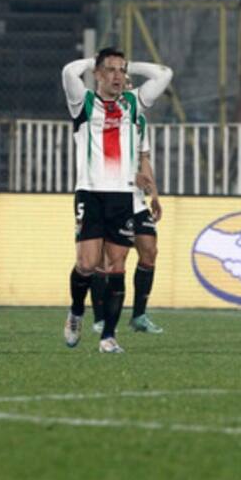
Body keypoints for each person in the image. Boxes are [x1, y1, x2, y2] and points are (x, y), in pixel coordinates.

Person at [61, 47, 172, 354]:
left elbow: (165, 74)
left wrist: (130, 64)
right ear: (97, 74)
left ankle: (108, 336)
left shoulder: (134, 103)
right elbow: (68, 72)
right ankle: (76, 312)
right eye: (109, 70)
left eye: (122, 71)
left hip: (123, 195)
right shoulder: (82, 103)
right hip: (91, 191)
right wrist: (94, 58)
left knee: (116, 265)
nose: (117, 76)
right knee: (87, 263)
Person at [91, 110, 164, 335]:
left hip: (136, 200)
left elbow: (144, 159)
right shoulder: (100, 117)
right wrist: (132, 177)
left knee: (149, 251)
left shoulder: (138, 119)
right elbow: (99, 161)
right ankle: (100, 318)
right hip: (110, 195)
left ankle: (139, 316)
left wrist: (154, 194)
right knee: (110, 259)